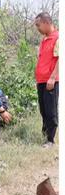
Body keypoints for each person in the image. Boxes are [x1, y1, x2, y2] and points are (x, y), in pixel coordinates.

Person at [34, 12, 59, 148]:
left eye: (38, 25)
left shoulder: (58, 38)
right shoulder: (44, 39)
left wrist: (53, 77)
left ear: (46, 22)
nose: (37, 28)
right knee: (43, 109)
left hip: (51, 81)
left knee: (51, 110)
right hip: (41, 80)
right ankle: (45, 135)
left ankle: (50, 140)